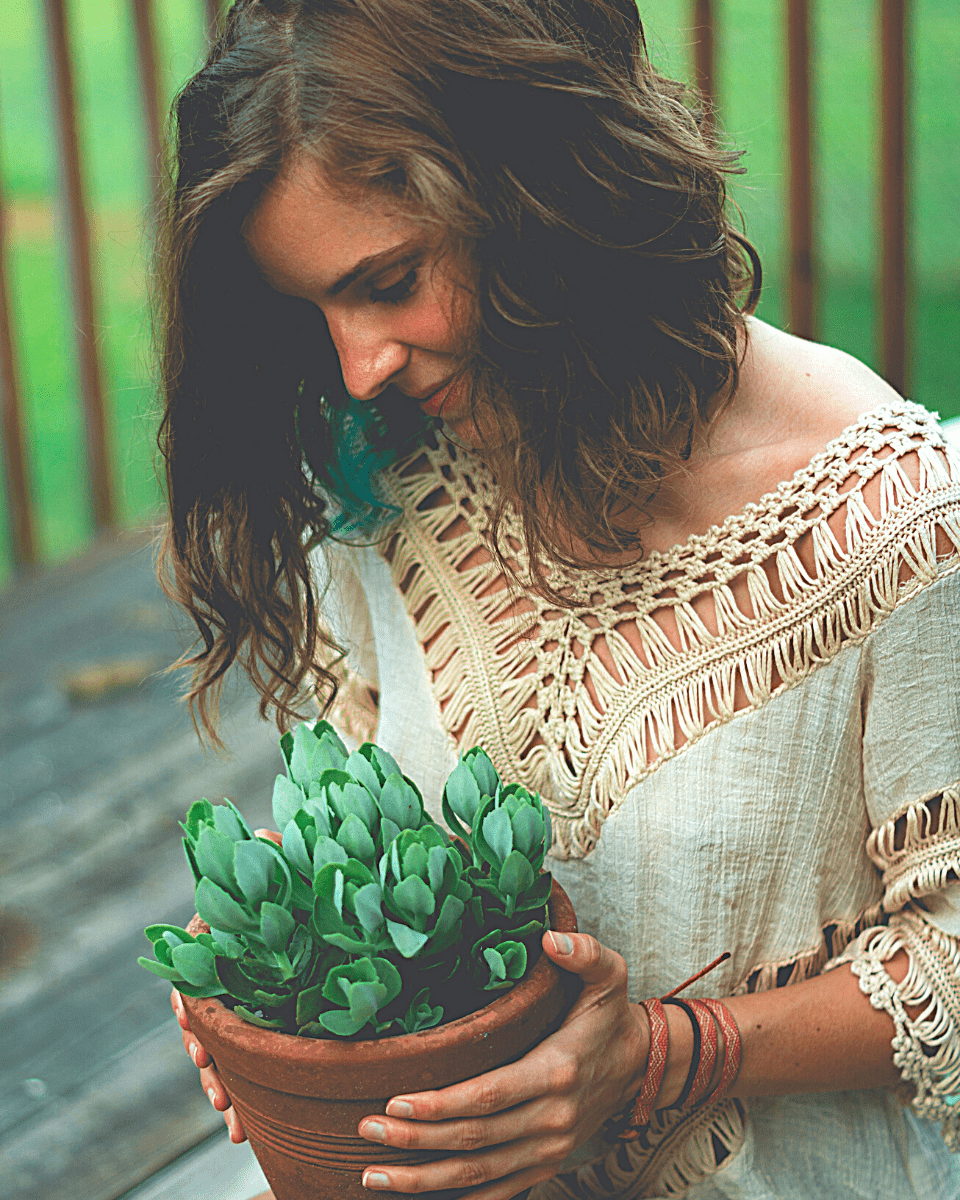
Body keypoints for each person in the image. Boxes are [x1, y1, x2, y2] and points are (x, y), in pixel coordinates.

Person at [161, 1, 960, 1196]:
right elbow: (360, 787)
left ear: (545, 200)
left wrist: (666, 1052)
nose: (358, 364)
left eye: (390, 280)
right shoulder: (399, 469)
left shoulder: (894, 526)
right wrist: (282, 971)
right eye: (313, 309)